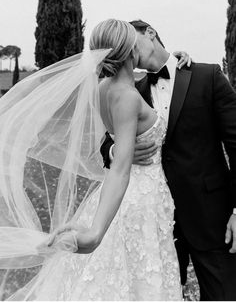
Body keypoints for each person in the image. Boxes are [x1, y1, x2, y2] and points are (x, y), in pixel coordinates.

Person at [0, 19, 191, 301]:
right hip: (137, 198)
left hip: (124, 196)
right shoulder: (126, 96)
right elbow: (121, 170)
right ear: (129, 50)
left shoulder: (102, 88)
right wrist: (95, 233)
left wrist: (177, 57)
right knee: (140, 279)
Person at [101, 19, 236, 301]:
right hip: (154, 219)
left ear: (150, 33)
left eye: (131, 42)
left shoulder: (207, 76)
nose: (129, 52)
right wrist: (116, 152)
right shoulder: (130, 90)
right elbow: (107, 141)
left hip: (210, 215)